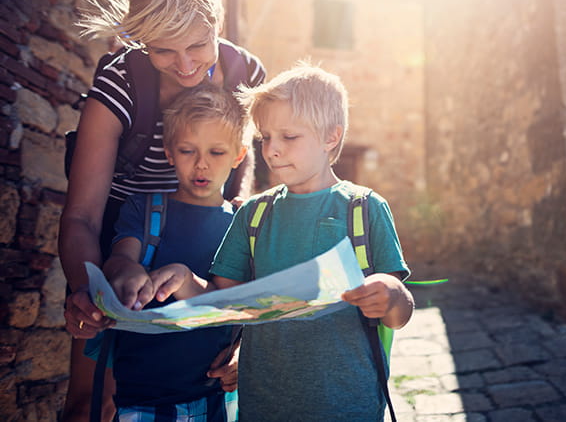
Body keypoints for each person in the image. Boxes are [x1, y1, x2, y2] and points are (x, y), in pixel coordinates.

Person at [59, 0, 265, 421]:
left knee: (205, 388)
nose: (186, 65)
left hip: (208, 235)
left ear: (218, 21)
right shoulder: (121, 83)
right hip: (122, 239)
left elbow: (244, 188)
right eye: (163, 49)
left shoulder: (245, 77)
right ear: (140, 40)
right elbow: (82, 216)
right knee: (93, 403)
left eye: (197, 44)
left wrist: (240, 326)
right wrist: (88, 294)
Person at [148, 63, 415, 421]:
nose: (272, 150)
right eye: (265, 138)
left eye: (288, 137)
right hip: (264, 406)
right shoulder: (254, 215)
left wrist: (391, 294)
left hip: (348, 406)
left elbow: (400, 314)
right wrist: (183, 280)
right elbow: (225, 302)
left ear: (330, 137)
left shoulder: (365, 209)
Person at [100, 83, 249, 421]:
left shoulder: (244, 225)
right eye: (187, 150)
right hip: (143, 396)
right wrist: (127, 272)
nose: (201, 165)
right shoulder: (145, 209)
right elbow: (121, 258)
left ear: (238, 155)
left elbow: (248, 305)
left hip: (216, 397)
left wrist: (243, 354)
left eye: (216, 152)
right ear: (168, 152)